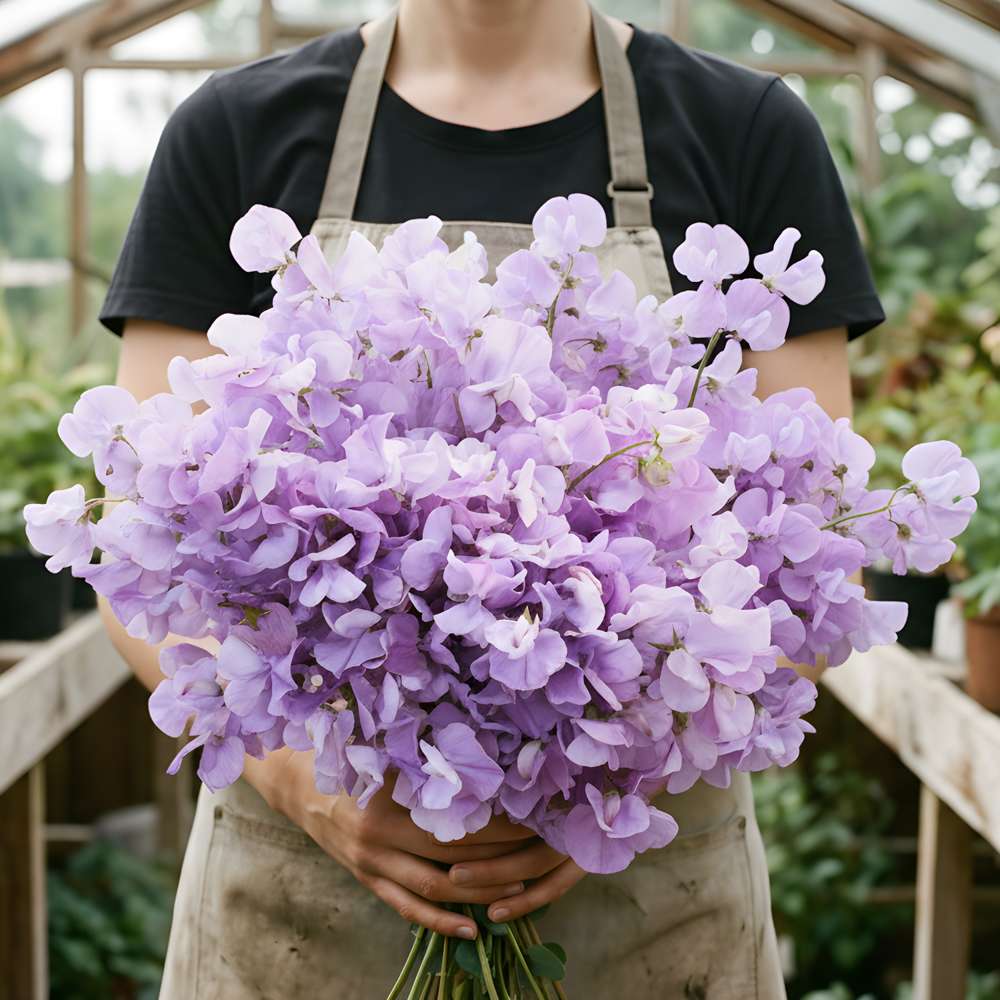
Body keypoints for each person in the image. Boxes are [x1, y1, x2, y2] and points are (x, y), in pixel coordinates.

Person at [99, 1, 884, 996]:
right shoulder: (236, 131)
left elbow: (811, 547)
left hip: (640, 897)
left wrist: (608, 781)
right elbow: (146, 545)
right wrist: (311, 789)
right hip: (308, 892)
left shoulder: (747, 132)